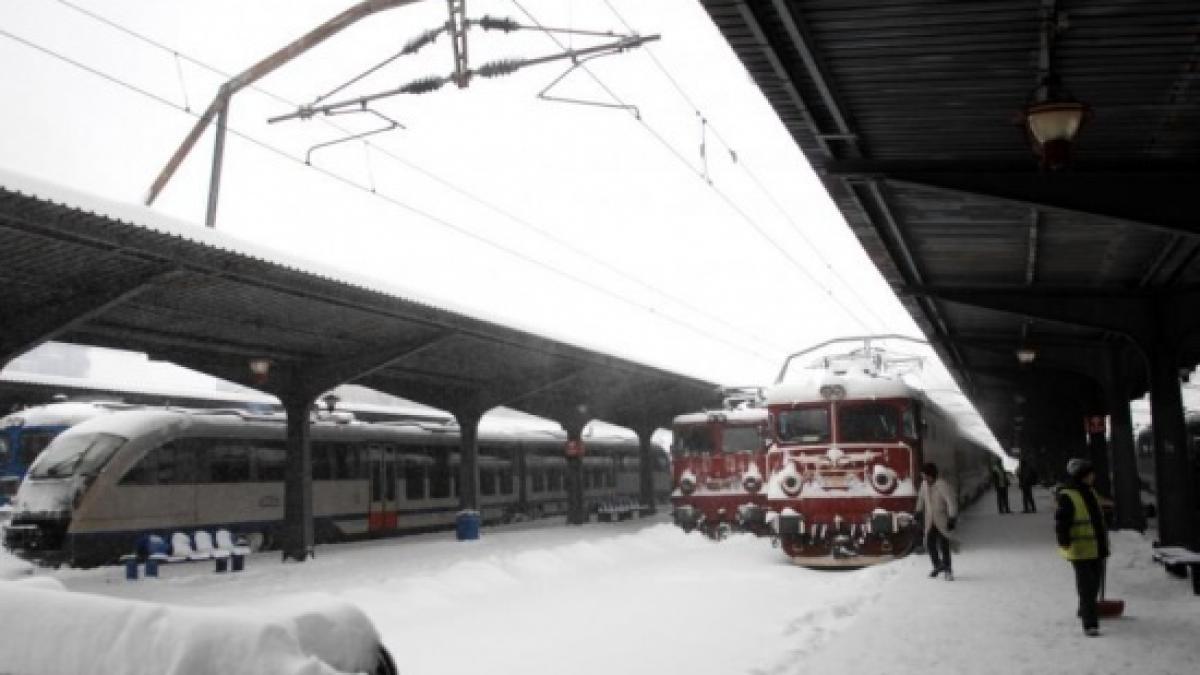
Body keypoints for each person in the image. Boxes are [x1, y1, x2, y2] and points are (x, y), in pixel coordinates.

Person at [1055, 458, 1110, 637]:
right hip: (1080, 548)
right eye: (1090, 474)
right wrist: (1063, 540)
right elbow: (1061, 521)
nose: (1094, 476)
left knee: (1093, 584)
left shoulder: (1090, 492)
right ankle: (1090, 623)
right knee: (1087, 586)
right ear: (1083, 476)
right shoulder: (1068, 495)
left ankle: (1084, 609)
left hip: (1096, 546)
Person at [915, 462, 958, 580]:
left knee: (944, 546)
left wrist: (952, 518)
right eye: (923, 476)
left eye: (925, 475)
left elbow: (951, 502)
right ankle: (938, 565)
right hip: (930, 520)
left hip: (942, 520)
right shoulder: (924, 485)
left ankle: (948, 570)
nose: (923, 478)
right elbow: (920, 498)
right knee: (930, 544)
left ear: (931, 475)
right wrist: (918, 511)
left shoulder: (942, 485)